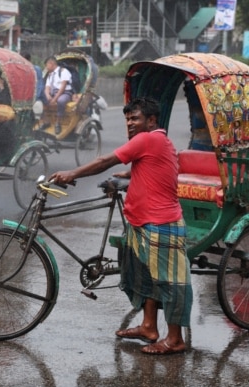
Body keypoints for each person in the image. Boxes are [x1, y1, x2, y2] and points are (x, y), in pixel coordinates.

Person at [50, 97, 192, 356]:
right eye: (127, 119)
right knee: (148, 278)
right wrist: (132, 174)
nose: (130, 124)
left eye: (135, 119)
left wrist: (73, 173)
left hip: (160, 225)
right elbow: (156, 167)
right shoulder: (157, 141)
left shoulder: (149, 138)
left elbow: (106, 160)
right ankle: (149, 327)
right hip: (142, 224)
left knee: (170, 282)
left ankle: (175, 339)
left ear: (151, 120)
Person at [41, 56, 72, 136]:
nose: (46, 67)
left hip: (65, 93)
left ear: (51, 64)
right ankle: (46, 121)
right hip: (52, 93)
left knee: (61, 101)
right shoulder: (50, 75)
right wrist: (47, 96)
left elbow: (63, 87)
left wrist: (54, 99)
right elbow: (47, 87)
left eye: (46, 65)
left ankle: (58, 122)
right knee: (39, 101)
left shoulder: (63, 71)